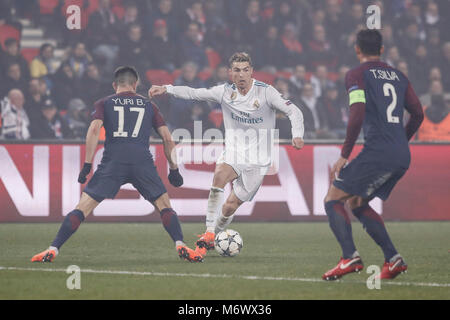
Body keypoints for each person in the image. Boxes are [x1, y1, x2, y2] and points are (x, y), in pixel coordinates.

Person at [31, 66, 202, 263]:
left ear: (115, 85)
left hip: (113, 161)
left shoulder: (104, 102)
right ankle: (180, 244)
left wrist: (87, 164)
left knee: (83, 207)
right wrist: (174, 169)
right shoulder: (149, 105)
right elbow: (167, 138)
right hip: (142, 161)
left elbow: (94, 130)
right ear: (135, 84)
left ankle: (53, 249)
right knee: (164, 206)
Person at [149, 52, 305, 259]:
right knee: (219, 176)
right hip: (234, 152)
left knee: (230, 206)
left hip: (259, 160)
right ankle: (209, 233)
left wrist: (298, 135)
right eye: (237, 70)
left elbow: (294, 112)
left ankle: (216, 232)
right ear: (230, 73)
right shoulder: (224, 92)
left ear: (251, 72)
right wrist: (166, 88)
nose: (241, 75)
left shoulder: (267, 93)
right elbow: (194, 93)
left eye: (245, 70)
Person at [322, 29, 424, 281]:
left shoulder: (356, 74)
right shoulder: (399, 76)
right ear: (382, 49)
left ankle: (349, 257)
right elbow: (419, 113)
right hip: (401, 154)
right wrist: (400, 140)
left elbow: (357, 112)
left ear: (357, 49)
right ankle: (393, 259)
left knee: (332, 198)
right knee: (357, 202)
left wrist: (344, 154)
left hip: (378, 152)